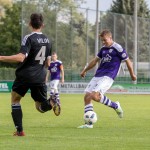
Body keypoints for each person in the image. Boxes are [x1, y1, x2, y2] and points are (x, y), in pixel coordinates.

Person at [0, 13, 61, 136]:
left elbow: (21, 57)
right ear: (42, 25)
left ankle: (20, 131)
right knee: (40, 107)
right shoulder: (48, 40)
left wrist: (1, 57)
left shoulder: (28, 38)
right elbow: (48, 63)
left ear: (29, 23)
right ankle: (51, 102)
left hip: (25, 75)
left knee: (15, 100)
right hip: (40, 76)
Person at [78, 29, 137, 128]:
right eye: (102, 40)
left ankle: (115, 106)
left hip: (108, 76)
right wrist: (85, 70)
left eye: (105, 40)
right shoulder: (103, 49)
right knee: (87, 97)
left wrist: (132, 74)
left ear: (110, 37)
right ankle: (89, 124)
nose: (103, 42)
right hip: (98, 75)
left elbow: (127, 61)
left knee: (94, 95)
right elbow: (95, 61)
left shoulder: (118, 48)